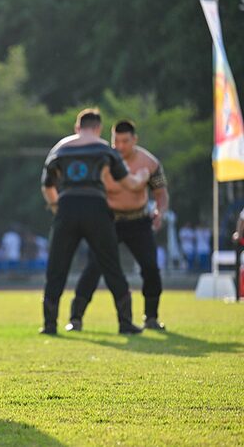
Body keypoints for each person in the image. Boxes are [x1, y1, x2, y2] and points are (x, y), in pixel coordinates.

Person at [40, 109, 150, 335]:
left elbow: (47, 185)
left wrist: (56, 207)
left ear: (77, 127)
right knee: (111, 265)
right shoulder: (103, 148)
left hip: (67, 207)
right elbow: (128, 183)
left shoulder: (60, 148)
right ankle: (125, 323)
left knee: (57, 267)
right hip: (96, 208)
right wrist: (142, 178)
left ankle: (50, 324)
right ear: (98, 128)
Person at [68, 120, 169, 331]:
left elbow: (160, 193)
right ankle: (75, 317)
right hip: (108, 220)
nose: (120, 146)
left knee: (150, 267)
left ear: (135, 140)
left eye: (126, 141)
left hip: (138, 220)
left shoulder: (149, 162)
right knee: (93, 267)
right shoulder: (102, 158)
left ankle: (151, 317)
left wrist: (160, 211)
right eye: (117, 141)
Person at [232, 208, 244, 300]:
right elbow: (241, 219)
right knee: (238, 267)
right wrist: (238, 234)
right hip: (242, 240)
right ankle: (238, 295)